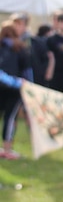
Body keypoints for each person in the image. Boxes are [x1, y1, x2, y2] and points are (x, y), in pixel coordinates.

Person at [0, 21, 32, 159]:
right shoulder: (21, 48)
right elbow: (27, 70)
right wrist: (29, 85)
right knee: (10, 118)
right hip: (16, 88)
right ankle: (7, 149)